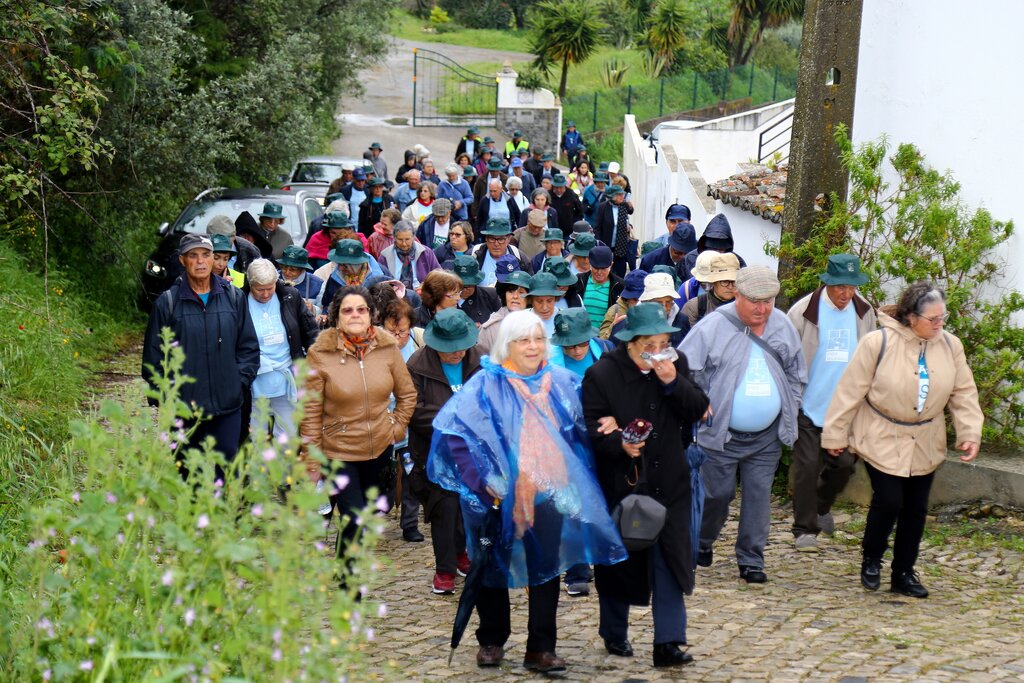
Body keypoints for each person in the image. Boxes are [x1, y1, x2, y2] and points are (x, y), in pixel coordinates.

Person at [427, 309, 627, 674]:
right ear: (507, 344)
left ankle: (541, 647)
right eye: (523, 339)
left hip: (549, 493)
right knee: (490, 568)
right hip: (495, 498)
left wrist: (609, 425)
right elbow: (457, 434)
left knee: (547, 568)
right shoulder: (486, 384)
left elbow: (586, 425)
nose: (533, 346)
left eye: (538, 338)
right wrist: (484, 485)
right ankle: (491, 639)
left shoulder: (562, 383)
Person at [822, 282, 982, 598]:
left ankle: (903, 573)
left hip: (926, 436)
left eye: (942, 318)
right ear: (910, 317)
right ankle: (872, 557)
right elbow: (849, 390)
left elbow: (963, 392)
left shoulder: (951, 346)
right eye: (932, 319)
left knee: (915, 507)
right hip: (881, 433)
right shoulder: (876, 343)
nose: (939, 324)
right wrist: (835, 433)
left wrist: (969, 432)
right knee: (890, 499)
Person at [583, 302, 709, 667]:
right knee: (621, 561)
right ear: (630, 343)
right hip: (625, 483)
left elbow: (698, 408)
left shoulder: (675, 364)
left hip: (670, 480)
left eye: (662, 343)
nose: (657, 353)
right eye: (648, 346)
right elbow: (589, 428)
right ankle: (614, 631)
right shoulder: (602, 375)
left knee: (671, 558)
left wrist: (672, 382)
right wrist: (617, 443)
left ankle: (668, 642)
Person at [679, 266, 806, 584]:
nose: (763, 309)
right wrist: (698, 402)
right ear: (738, 294)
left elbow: (796, 371)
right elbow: (683, 368)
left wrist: (791, 405)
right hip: (720, 434)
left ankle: (751, 559)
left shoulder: (783, 325)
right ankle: (703, 540)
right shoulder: (713, 326)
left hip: (766, 436)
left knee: (759, 496)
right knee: (717, 495)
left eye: (769, 301)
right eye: (755, 302)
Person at [300, 285, 416, 577]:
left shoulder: (388, 347)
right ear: (336, 316)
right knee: (352, 515)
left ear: (371, 314)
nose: (355, 315)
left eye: (361, 309)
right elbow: (311, 410)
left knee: (368, 514)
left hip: (379, 446)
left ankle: (348, 564)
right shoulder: (320, 354)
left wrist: (397, 426)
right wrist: (311, 457)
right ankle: (347, 582)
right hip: (337, 449)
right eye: (347, 310)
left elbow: (407, 393)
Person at [142, 234, 259, 479]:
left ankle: (228, 515)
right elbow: (153, 360)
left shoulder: (234, 298)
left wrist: (238, 384)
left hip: (227, 404)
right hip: (185, 408)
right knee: (187, 472)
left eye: (206, 255)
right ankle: (194, 516)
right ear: (183, 261)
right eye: (193, 256)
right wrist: (170, 396)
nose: (200, 262)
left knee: (230, 470)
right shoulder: (168, 303)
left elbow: (248, 348)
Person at [786, 254, 877, 551]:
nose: (845, 294)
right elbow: (786, 356)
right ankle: (804, 529)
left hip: (846, 410)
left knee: (845, 465)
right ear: (827, 283)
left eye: (851, 287)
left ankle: (821, 507)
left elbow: (872, 357)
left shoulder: (864, 312)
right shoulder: (803, 312)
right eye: (840, 287)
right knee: (808, 467)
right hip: (808, 405)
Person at [407, 308, 483, 591]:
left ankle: (462, 553)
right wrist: (455, 422)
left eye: (461, 348)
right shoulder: (417, 365)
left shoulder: (480, 359)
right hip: (434, 452)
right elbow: (415, 410)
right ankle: (444, 569)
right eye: (449, 349)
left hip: (474, 452)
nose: (456, 354)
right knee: (444, 509)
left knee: (469, 506)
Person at [245, 258, 319, 441]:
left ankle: (283, 469)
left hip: (286, 378)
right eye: (259, 289)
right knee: (256, 438)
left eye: (269, 288)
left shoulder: (289, 296)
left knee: (287, 435)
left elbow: (311, 331)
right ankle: (258, 469)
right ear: (250, 284)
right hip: (254, 379)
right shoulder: (239, 300)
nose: (265, 294)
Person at [382, 298, 424, 543]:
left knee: (411, 474)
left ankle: (410, 524)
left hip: (410, 422)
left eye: (403, 332)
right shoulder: (375, 348)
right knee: (382, 474)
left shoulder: (417, 347)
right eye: (392, 331)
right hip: (382, 422)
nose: (398, 337)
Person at [315, 238, 389, 318]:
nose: (340, 268)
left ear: (358, 263)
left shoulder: (380, 276)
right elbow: (327, 304)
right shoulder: (334, 277)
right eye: (339, 264)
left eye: (345, 265)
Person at [476, 261, 532, 354]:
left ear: (529, 298)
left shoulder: (538, 322)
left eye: (521, 292)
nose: (515, 296)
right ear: (504, 295)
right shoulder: (490, 328)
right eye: (511, 291)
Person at [681, 251, 739, 329]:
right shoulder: (694, 307)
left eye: (734, 281)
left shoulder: (745, 306)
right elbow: (686, 339)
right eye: (725, 282)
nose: (730, 286)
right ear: (713, 282)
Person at [378, 220, 442, 290]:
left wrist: (426, 286)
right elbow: (380, 282)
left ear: (413, 237)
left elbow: (439, 276)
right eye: (400, 239)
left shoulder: (426, 253)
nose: (404, 244)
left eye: (407, 239)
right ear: (394, 238)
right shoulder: (385, 256)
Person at [680, 213, 746, 281]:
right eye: (713, 249)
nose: (716, 253)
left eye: (721, 250)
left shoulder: (736, 262)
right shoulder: (690, 259)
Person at [470, 218, 528, 286]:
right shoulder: (474, 254)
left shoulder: (518, 255)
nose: (496, 244)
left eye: (501, 239)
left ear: (509, 238)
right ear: (486, 238)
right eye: (492, 239)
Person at [593, 185, 634, 278]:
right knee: (606, 271)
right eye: (619, 195)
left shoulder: (624, 205)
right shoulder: (603, 207)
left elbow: (631, 211)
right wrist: (598, 243)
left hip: (621, 246)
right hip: (606, 244)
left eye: (622, 194)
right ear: (612, 196)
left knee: (620, 273)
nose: (622, 197)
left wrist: (630, 207)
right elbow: (597, 227)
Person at [579, 246, 623, 330]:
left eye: (603, 269)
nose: (599, 272)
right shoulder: (578, 282)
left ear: (611, 265)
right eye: (596, 268)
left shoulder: (620, 286)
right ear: (590, 264)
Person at [451, 255, 502, 326]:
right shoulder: (444, 298)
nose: (464, 290)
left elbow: (503, 321)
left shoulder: (491, 296)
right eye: (461, 286)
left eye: (469, 286)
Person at [599, 269, 646, 339]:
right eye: (635, 299)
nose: (638, 303)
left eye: (643, 299)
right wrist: (614, 327)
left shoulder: (654, 310)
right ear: (627, 298)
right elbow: (602, 342)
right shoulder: (614, 311)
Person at [277, 245, 324, 312]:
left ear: (302, 269)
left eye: (293, 269)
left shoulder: (318, 285)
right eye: (284, 267)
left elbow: (323, 312)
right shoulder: (273, 278)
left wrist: (313, 308)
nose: (287, 272)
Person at [524, 272, 564, 337]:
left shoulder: (566, 318)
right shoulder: (521, 319)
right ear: (531, 300)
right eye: (539, 301)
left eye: (549, 301)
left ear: (555, 299)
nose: (544, 307)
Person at [549, 175, 584, 241]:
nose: (559, 190)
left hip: (568, 231)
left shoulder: (571, 195)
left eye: (561, 187)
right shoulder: (548, 195)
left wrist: (574, 224)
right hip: (553, 231)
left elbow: (580, 211)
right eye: (556, 187)